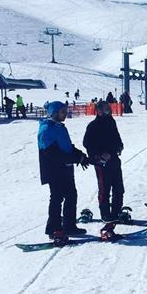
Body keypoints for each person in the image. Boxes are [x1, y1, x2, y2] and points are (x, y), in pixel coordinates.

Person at [37, 101, 89, 243]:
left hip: (66, 168)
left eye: (65, 111)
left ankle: (69, 226)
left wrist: (80, 156)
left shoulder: (60, 127)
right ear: (54, 113)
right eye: (62, 112)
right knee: (57, 198)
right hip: (54, 170)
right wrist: (74, 158)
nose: (65, 114)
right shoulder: (46, 129)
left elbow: (67, 147)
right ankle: (53, 228)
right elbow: (52, 153)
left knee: (71, 195)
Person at [83, 101, 125, 238]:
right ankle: (105, 214)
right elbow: (87, 143)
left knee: (119, 188)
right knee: (104, 188)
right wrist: (98, 155)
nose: (109, 110)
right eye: (106, 109)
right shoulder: (93, 126)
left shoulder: (111, 122)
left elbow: (117, 137)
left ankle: (116, 213)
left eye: (109, 108)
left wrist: (119, 146)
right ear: (99, 111)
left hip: (113, 159)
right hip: (101, 162)